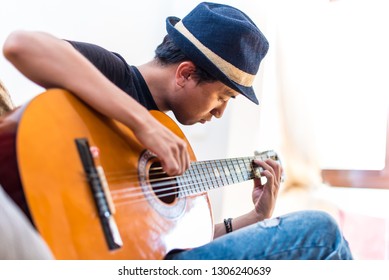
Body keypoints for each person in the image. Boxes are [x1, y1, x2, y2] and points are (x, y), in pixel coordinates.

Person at [2, 2, 352, 259]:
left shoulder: (171, 144)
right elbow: (21, 45)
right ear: (185, 73)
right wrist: (142, 124)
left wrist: (256, 217)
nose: (219, 113)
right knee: (322, 232)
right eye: (222, 97)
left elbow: (171, 246)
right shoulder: (118, 77)